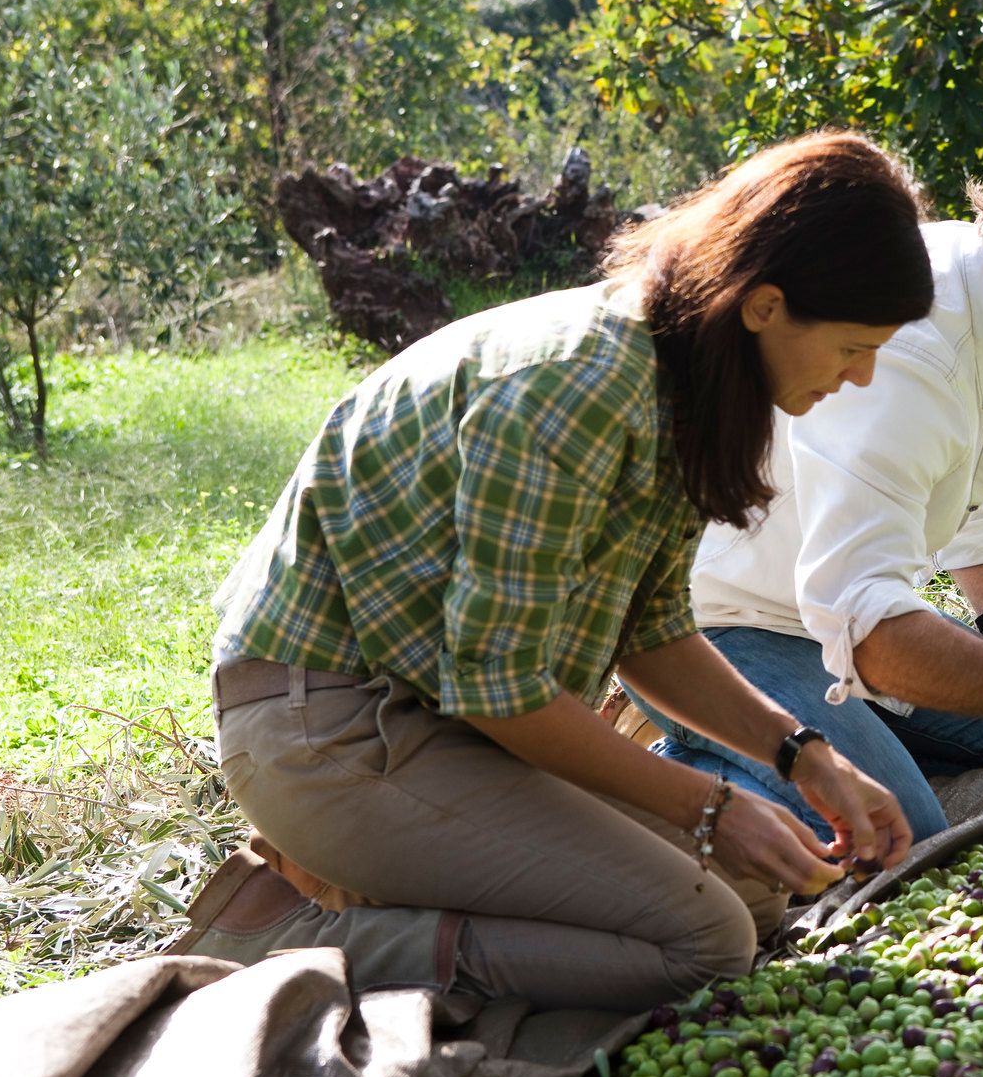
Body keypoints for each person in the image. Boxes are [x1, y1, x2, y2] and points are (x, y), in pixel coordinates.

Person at [170, 133, 931, 1012]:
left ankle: (389, 876)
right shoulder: (580, 385)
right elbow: (499, 686)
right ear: (763, 305)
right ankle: (289, 935)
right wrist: (711, 804)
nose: (861, 375)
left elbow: (651, 633)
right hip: (329, 734)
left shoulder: (688, 376)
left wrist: (802, 756)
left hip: (441, 722)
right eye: (852, 346)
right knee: (706, 941)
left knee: (756, 897)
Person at [634, 110, 983, 843]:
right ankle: (660, 770)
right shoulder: (914, 353)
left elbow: (971, 479)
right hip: (727, 624)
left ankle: (846, 735)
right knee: (899, 829)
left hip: (828, 614)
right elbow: (869, 627)